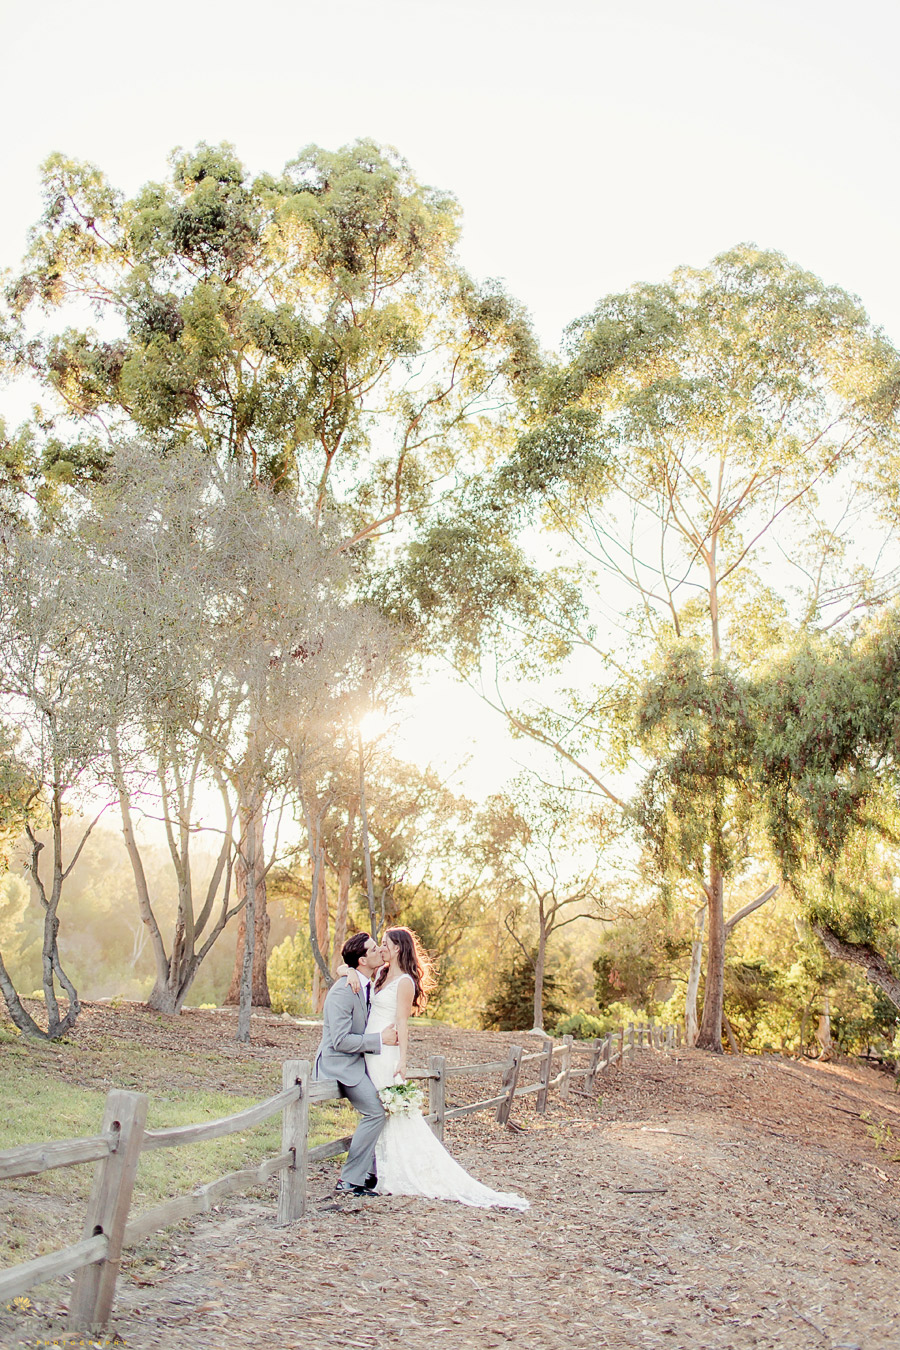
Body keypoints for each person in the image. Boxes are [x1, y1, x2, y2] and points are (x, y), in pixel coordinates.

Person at [345, 926, 529, 1210]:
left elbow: (403, 1024)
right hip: (371, 1049)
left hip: (386, 1052)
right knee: (381, 1110)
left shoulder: (404, 982)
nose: (380, 947)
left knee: (390, 1110)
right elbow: (347, 966)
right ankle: (376, 1169)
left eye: (385, 943)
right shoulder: (380, 974)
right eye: (379, 943)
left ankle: (395, 1170)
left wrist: (403, 1060)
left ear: (396, 949)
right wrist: (346, 972)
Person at [314, 931, 398, 1198]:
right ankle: (349, 1180)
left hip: (360, 1061)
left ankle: (369, 1174)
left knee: (381, 1105)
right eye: (374, 949)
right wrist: (379, 1040)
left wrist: (346, 970)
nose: (379, 951)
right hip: (342, 1064)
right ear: (362, 960)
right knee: (375, 1112)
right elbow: (339, 1041)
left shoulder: (365, 982)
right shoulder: (343, 991)